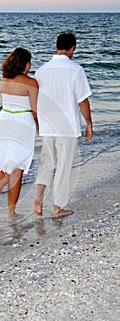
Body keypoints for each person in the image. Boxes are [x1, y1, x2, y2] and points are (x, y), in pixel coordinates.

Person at [33, 32, 93, 218]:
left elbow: (35, 100)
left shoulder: (41, 70)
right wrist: (89, 123)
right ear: (72, 48)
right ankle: (57, 208)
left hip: (47, 124)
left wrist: (37, 123)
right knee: (64, 166)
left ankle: (38, 196)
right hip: (66, 126)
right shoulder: (75, 70)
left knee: (47, 162)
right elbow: (82, 101)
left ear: (56, 47)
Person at [0, 47, 39, 219]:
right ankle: (11, 212)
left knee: (5, 164)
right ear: (25, 63)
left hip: (4, 121)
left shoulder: (4, 80)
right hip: (21, 123)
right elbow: (34, 111)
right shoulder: (31, 83)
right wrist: (39, 127)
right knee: (17, 168)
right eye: (29, 62)